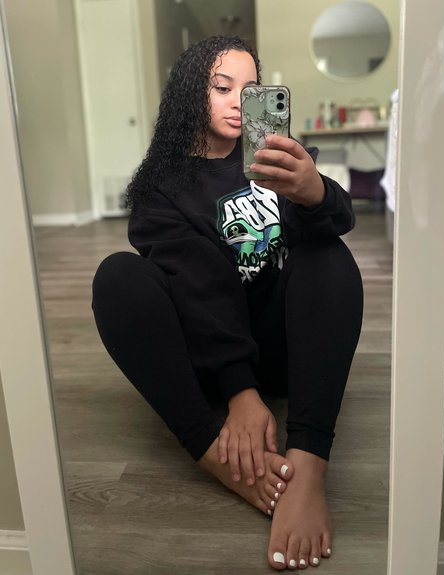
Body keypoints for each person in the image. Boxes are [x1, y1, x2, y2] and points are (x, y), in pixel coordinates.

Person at [92, 35, 363, 571]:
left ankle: (308, 464)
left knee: (328, 252)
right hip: (209, 360)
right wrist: (238, 390)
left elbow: (340, 219)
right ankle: (214, 452)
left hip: (283, 348)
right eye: (222, 87)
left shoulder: (276, 154)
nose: (240, 101)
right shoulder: (162, 187)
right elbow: (200, 280)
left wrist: (315, 191)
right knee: (117, 277)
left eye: (251, 89)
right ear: (192, 92)